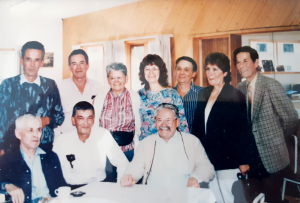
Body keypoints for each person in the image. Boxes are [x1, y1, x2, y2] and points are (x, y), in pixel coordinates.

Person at [234, 46, 299, 202]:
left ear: (256, 62)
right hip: (251, 157)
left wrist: (276, 137)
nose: (241, 65)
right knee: (255, 197)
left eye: (245, 60)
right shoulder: (240, 88)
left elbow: (290, 118)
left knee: (272, 198)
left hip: (273, 156)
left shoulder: (271, 85)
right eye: (238, 62)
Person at [191, 52, 253, 203]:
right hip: (207, 156)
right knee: (213, 197)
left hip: (228, 158)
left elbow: (242, 130)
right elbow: (197, 126)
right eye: (208, 69)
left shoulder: (234, 95)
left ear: (224, 72)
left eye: (215, 69)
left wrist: (243, 160)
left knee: (229, 197)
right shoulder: (203, 93)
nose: (210, 73)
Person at [120, 103, 214, 188]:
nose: (163, 124)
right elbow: (136, 165)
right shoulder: (146, 143)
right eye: (160, 120)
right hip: (153, 197)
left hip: (185, 197)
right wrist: (129, 175)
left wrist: (196, 178)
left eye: (168, 120)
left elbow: (206, 167)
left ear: (177, 122)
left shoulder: (192, 141)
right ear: (155, 123)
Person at [0, 41, 64, 153]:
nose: (32, 64)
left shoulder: (50, 85)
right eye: (28, 59)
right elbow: (1, 119)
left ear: (42, 62)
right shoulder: (8, 85)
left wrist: (47, 120)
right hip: (13, 147)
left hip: (43, 146)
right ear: (21, 60)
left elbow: (59, 116)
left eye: (36, 60)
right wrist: (1, 147)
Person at [53, 101, 128, 189]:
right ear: (73, 120)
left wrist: (120, 187)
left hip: (100, 187)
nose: (86, 123)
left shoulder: (103, 135)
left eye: (89, 118)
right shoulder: (62, 140)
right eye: (81, 118)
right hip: (73, 190)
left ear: (93, 120)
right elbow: (55, 172)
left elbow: (123, 162)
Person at [0, 114, 67, 203]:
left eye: (38, 130)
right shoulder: (7, 160)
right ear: (18, 134)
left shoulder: (51, 157)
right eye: (30, 130)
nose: (36, 135)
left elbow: (62, 187)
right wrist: (7, 186)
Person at [93, 62, 141, 161]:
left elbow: (139, 126)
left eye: (119, 77)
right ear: (108, 80)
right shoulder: (99, 99)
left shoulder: (135, 98)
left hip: (128, 152)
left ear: (126, 79)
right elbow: (95, 126)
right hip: (105, 152)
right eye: (112, 78)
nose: (116, 81)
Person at [138, 54, 189, 141]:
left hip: (168, 144)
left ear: (160, 71)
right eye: (147, 69)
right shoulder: (139, 94)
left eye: (154, 69)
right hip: (146, 145)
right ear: (143, 72)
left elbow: (182, 123)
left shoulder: (172, 94)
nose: (151, 73)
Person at [56, 49, 101, 134]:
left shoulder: (99, 87)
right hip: (67, 138)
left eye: (81, 63)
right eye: (74, 64)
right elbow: (55, 117)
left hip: (91, 138)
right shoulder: (59, 87)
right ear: (69, 67)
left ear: (87, 65)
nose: (78, 67)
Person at [173, 56, 203, 132]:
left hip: (196, 141)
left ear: (193, 74)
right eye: (179, 69)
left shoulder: (203, 93)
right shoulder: (168, 94)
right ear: (175, 71)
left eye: (186, 70)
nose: (181, 72)